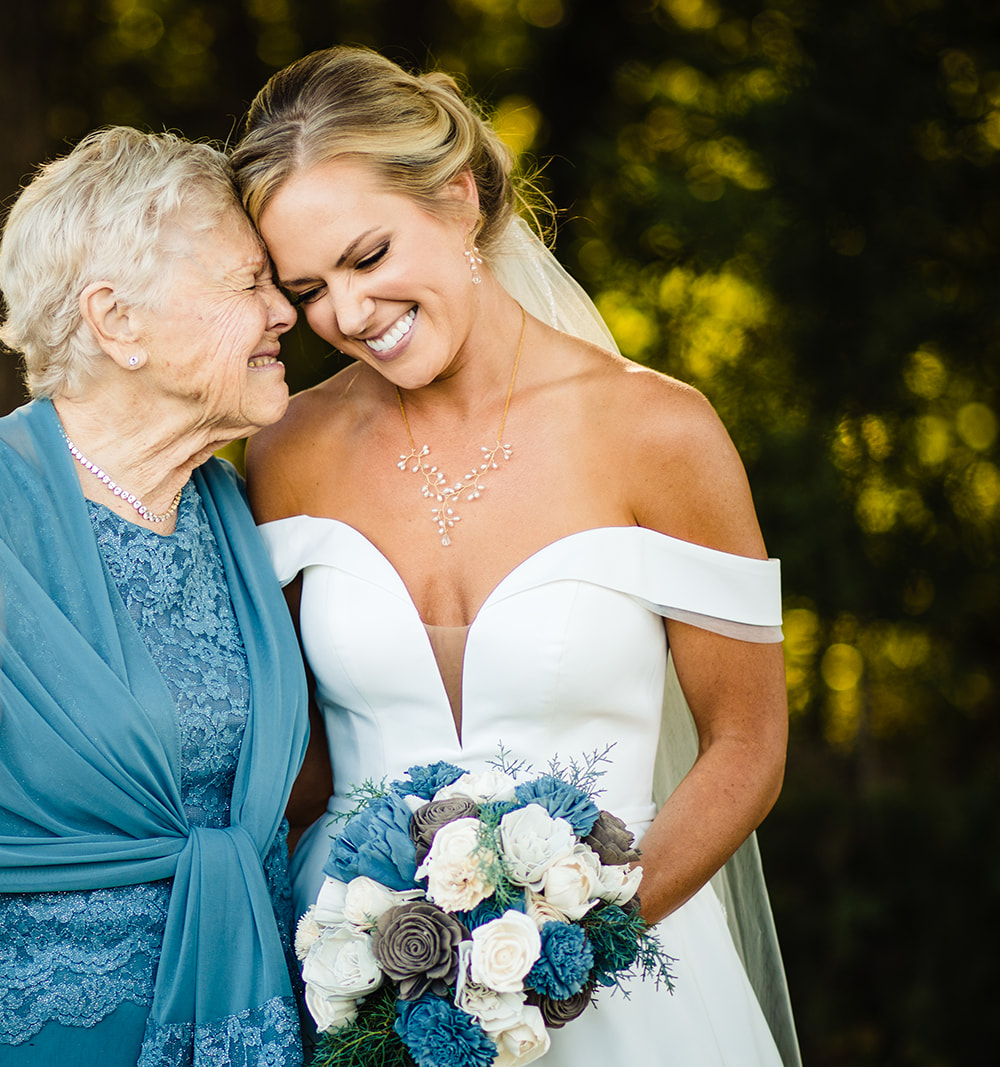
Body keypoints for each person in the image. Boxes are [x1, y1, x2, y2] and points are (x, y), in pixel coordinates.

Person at [231, 46, 801, 1065]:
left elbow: (746, 745)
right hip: (368, 1001)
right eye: (308, 287)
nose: (347, 316)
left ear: (457, 202)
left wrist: (569, 948)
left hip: (633, 989)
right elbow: (300, 768)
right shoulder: (283, 452)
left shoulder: (657, 432)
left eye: (368, 256)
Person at [0, 127, 308, 1067]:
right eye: (247, 283)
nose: (284, 309)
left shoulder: (230, 511)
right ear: (117, 321)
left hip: (241, 1018)